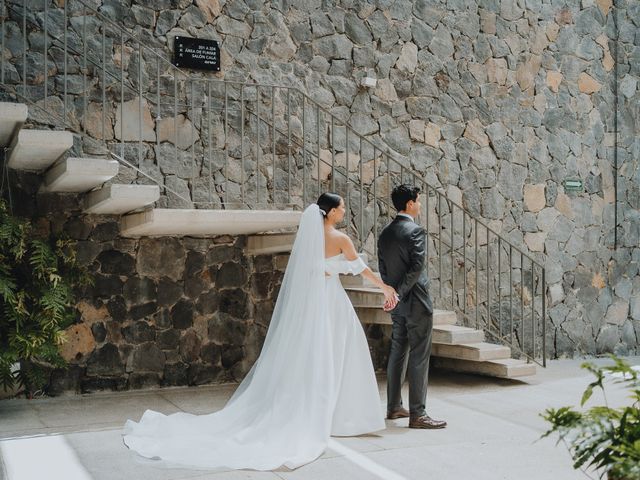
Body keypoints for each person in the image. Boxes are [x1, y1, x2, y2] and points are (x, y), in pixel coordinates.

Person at [122, 193, 398, 470]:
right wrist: (385, 287)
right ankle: (341, 416)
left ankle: (320, 411)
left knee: (311, 356)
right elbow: (361, 270)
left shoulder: (310, 238)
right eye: (341, 208)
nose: (344, 211)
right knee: (338, 353)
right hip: (332, 303)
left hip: (313, 304)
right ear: (330, 212)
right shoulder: (340, 239)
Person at [377, 184, 447, 429]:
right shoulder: (415, 231)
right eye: (418, 201)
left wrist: (391, 294)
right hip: (416, 301)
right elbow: (416, 268)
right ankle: (418, 414)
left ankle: (394, 407)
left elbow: (383, 268)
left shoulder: (385, 233)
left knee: (398, 352)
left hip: (397, 302)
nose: (419, 205)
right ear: (409, 204)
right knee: (419, 355)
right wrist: (400, 292)